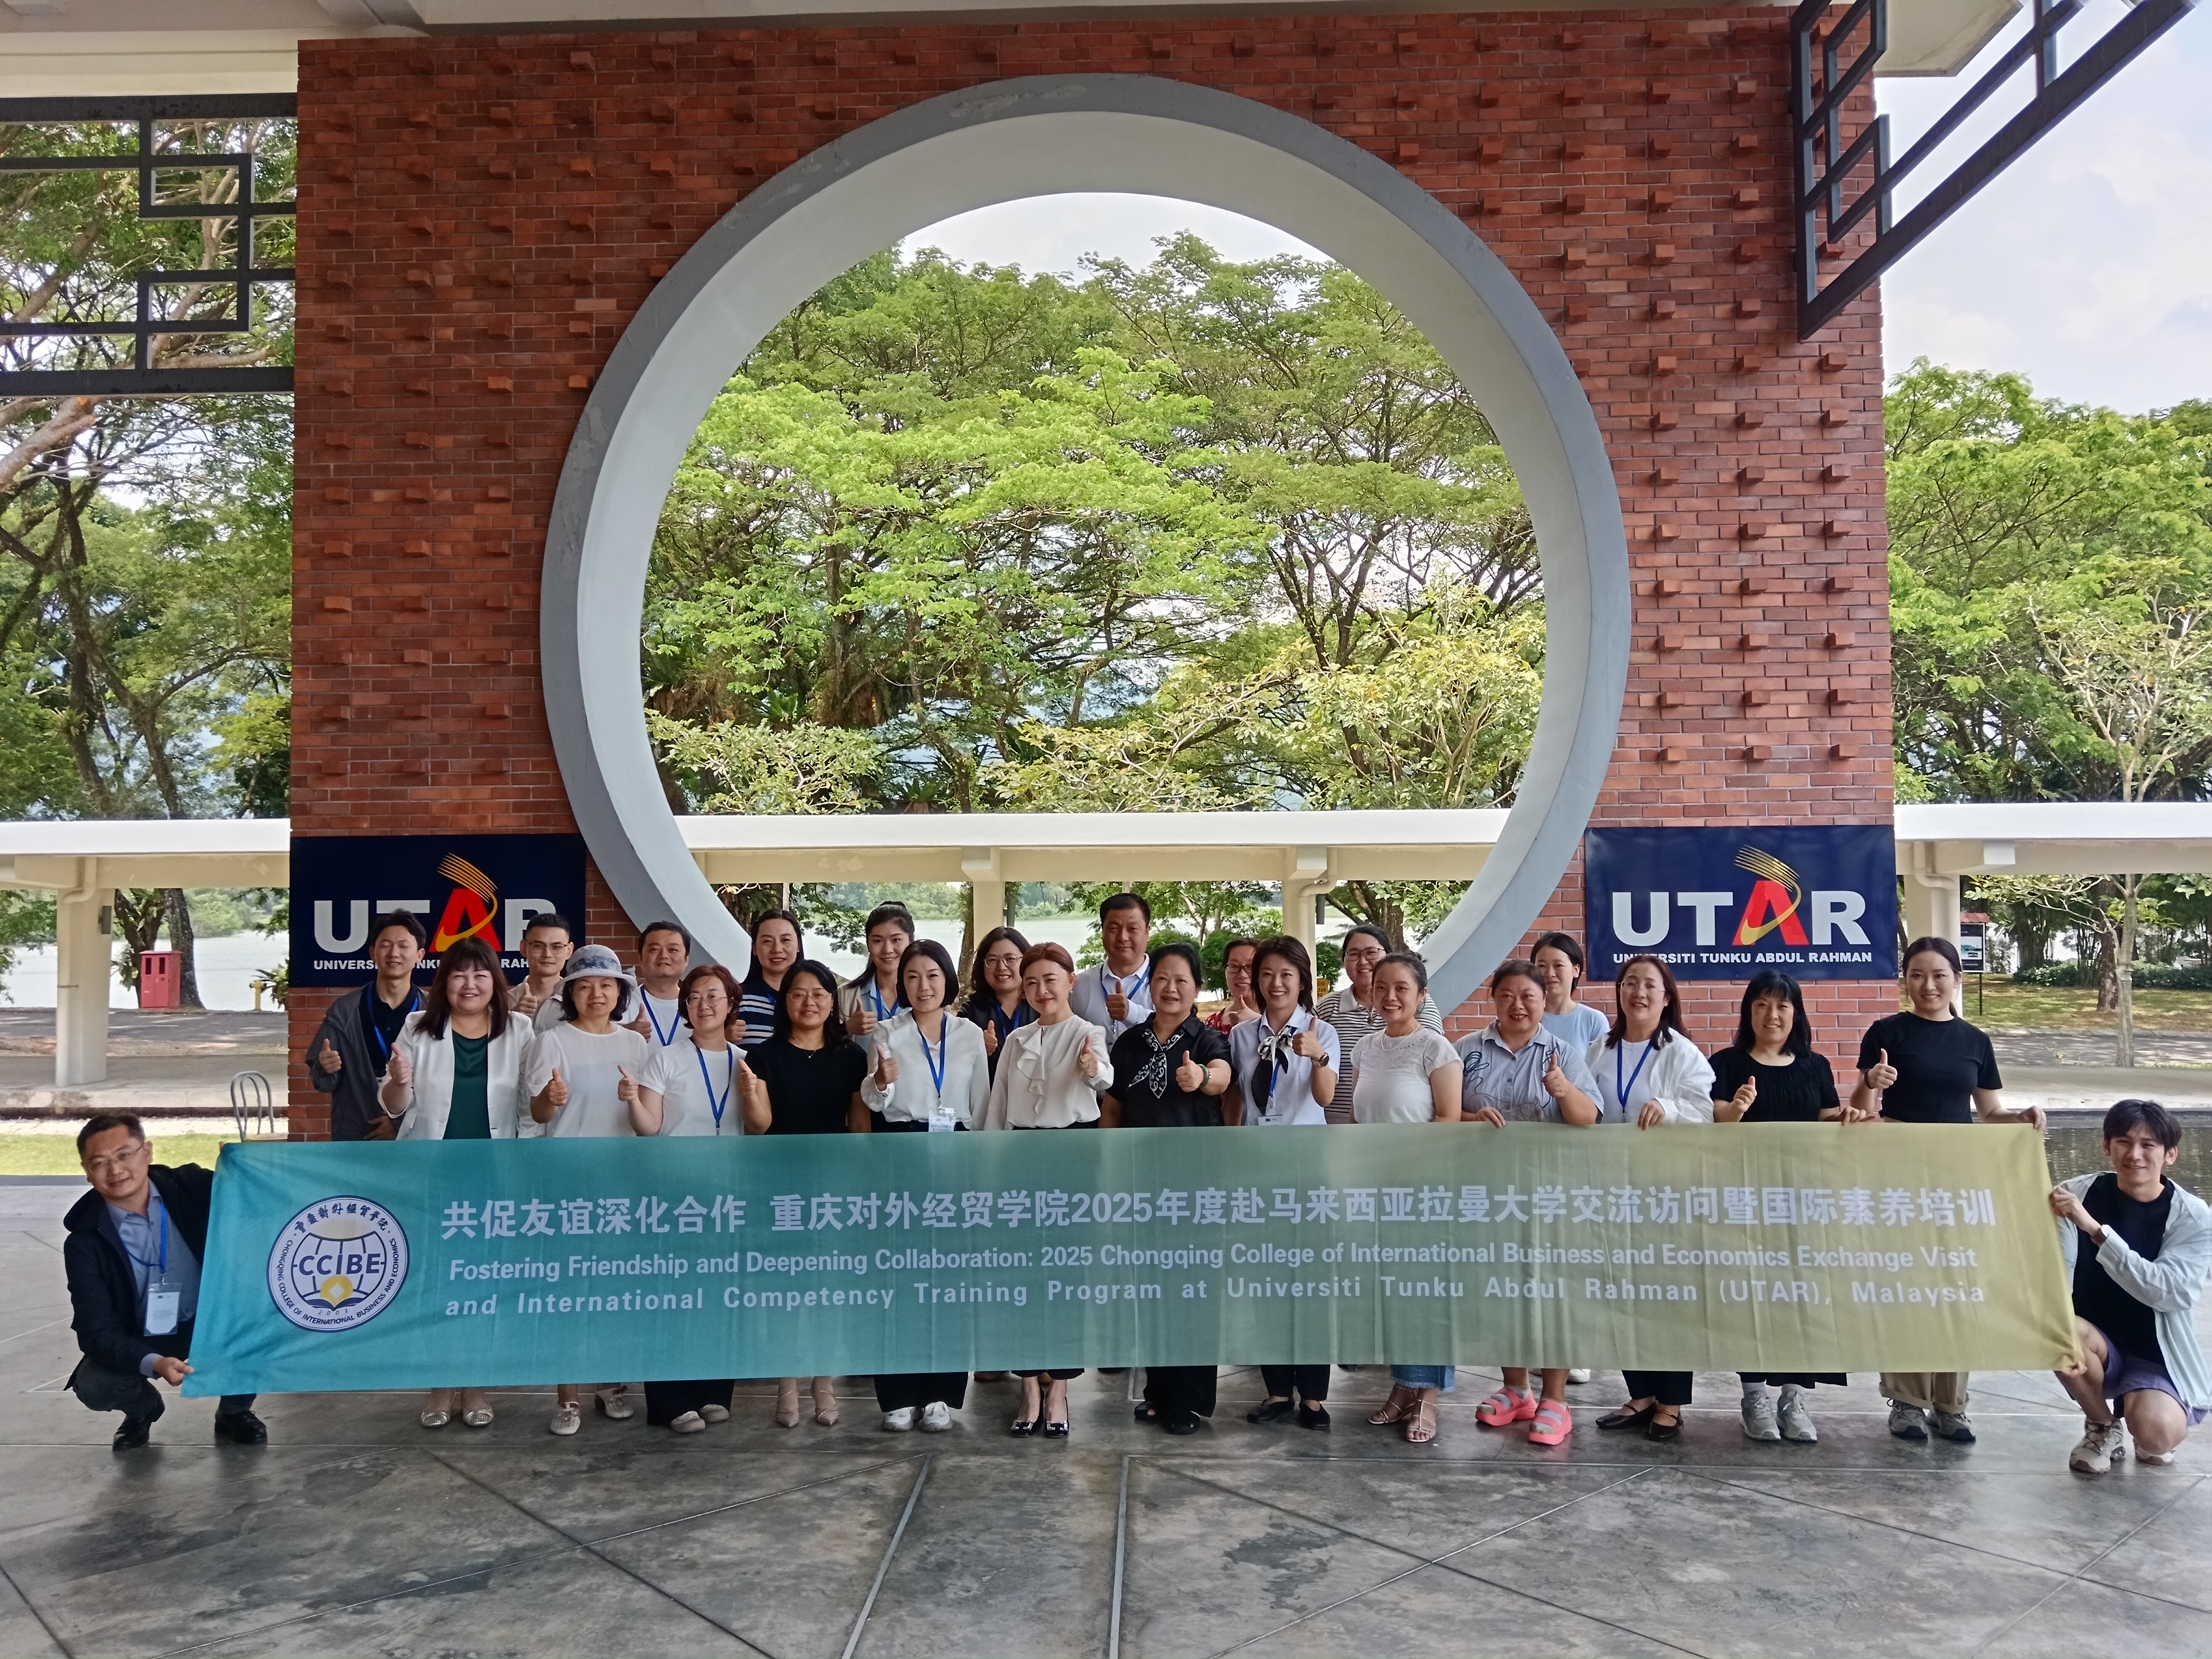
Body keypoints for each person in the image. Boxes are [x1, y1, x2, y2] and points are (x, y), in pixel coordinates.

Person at [1855, 935, 2046, 1446]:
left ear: (1957, 979)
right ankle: (1908, 1402)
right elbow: (1859, 1108)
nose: (1928, 985)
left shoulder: (1974, 1042)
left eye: (1939, 974)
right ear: (1906, 980)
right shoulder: (1886, 1032)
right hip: (1898, 1175)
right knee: (1908, 1283)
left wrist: (2021, 1117)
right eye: (1917, 974)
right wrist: (1872, 1080)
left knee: (1955, 1283)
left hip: (1955, 1177)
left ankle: (1952, 1404)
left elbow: (1989, 1112)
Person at [377, 935, 532, 1431]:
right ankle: (440, 1384)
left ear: (495, 983)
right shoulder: (419, 1028)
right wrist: (399, 1080)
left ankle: (477, 1384)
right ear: (446, 981)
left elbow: (530, 1109)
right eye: (460, 974)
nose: (470, 984)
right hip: (434, 1177)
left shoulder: (521, 1030)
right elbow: (395, 1105)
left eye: (481, 974)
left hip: (494, 1176)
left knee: (485, 1284)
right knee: (437, 1283)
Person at [1709, 970, 1857, 1443]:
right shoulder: (1727, 1063)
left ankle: (1793, 1399)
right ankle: (1753, 1396)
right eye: (1761, 1005)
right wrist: (1735, 1109)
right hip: (1745, 1200)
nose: (1772, 1016)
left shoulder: (1813, 1066)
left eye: (1782, 1006)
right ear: (1748, 1011)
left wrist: (1852, 1110)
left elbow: (1827, 1118)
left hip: (1803, 1201)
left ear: (1795, 1013)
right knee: (1750, 1297)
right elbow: (1713, 1122)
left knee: (1800, 1299)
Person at [1458, 959, 1602, 1448]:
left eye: (1528, 996)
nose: (1517, 1006)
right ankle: (1515, 1388)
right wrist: (1468, 1118)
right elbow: (1440, 1113)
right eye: (1507, 996)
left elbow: (1590, 1119)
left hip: (1550, 1193)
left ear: (1545, 1000)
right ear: (1492, 997)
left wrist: (1564, 1091)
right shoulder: (1467, 1051)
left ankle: (1555, 1399)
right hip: (1490, 1193)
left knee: (1552, 1292)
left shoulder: (1563, 1052)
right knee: (1502, 1290)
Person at [64, 1113, 264, 1449]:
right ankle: (143, 1410)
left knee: (268, 1326)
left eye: (125, 1155)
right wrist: (153, 1363)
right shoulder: (85, 1241)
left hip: (213, 1322)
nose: (115, 1170)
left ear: (147, 1152)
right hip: (142, 1336)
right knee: (96, 1385)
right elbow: (94, 1330)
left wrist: (245, 1167)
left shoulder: (195, 1188)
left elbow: (262, 1199)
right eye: (100, 1163)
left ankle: (234, 1410)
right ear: (86, 1172)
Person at [977, 942, 1110, 1435]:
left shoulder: (1087, 1033)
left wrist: (1093, 1070)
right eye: (1030, 981)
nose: (1040, 990)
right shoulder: (1016, 1040)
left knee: (1067, 1280)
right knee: (1023, 1280)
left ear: (1071, 982)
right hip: (1019, 1160)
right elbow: (996, 1110)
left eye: (1050, 979)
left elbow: (1102, 1077)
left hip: (1072, 1158)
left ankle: (1061, 1388)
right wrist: (991, 1174)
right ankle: (1029, 1383)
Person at [1101, 942, 1233, 1436]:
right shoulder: (1130, 1042)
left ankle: (1190, 1401)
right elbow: (1112, 1107)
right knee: (1152, 1289)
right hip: (1142, 1185)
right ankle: (1159, 1391)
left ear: (1197, 988)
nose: (1171, 987)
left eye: (1182, 980)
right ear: (1149, 985)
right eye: (1161, 978)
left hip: (1196, 1188)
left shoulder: (1206, 1040)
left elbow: (1221, 1079)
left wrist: (1199, 1078)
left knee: (1194, 1292)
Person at [737, 959, 869, 1428]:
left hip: (834, 1190)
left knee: (829, 1292)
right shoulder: (763, 1057)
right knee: (786, 1292)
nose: (808, 1002)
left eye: (818, 993)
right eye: (798, 994)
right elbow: (760, 1127)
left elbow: (857, 1126)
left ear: (832, 1003)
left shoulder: (852, 1057)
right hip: (780, 1190)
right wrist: (750, 1094)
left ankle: (824, 1382)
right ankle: (787, 1384)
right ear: (784, 1002)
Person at [862, 938, 986, 1433]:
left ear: (947, 981)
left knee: (948, 1277)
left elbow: (981, 1105)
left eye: (933, 975)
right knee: (897, 1276)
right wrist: (881, 1079)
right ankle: (897, 1393)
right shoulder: (887, 1032)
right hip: (900, 1151)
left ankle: (940, 1393)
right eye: (913, 976)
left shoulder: (970, 1034)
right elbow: (873, 1101)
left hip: (954, 1150)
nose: (923, 985)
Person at [1588, 955, 1713, 1443]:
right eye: (1629, 984)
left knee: (1665, 1297)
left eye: (1649, 986)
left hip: (1663, 1195)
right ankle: (1639, 1392)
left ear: (1666, 997)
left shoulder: (1679, 1053)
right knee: (1622, 1295)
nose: (1638, 993)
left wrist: (1671, 1107)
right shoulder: (1600, 1047)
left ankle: (1671, 1402)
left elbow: (1703, 1110)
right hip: (1610, 1192)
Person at [2050, 1099, 2211, 1474]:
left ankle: (2146, 1409)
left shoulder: (2193, 1217)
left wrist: (2094, 1230)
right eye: (2123, 1142)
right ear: (2105, 1147)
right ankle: (2102, 1426)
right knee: (2060, 1328)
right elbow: (2049, 1275)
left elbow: (2168, 1292)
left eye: (2148, 1145)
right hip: (2093, 1343)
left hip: (2155, 1352)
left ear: (2170, 1155)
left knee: (2156, 1437)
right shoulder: (2073, 1195)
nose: (2134, 1154)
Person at [527, 944, 649, 1436]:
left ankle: (612, 1385)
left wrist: (633, 1098)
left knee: (615, 1289)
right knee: (569, 1290)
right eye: (585, 985)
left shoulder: (636, 1046)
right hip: (569, 1182)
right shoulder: (552, 1041)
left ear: (619, 992)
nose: (596, 994)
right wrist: (550, 1099)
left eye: (606, 985)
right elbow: (537, 1115)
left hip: (621, 1181)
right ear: (570, 994)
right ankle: (568, 1398)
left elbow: (646, 1120)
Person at [631, 964, 744, 1434]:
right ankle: (670, 1401)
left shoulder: (745, 1060)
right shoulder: (665, 1058)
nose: (704, 1005)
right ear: (685, 1007)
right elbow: (648, 1127)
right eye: (695, 997)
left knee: (721, 1296)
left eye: (714, 997)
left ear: (730, 1004)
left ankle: (714, 1392)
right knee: (671, 1298)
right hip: (676, 1194)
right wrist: (631, 1101)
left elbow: (755, 1126)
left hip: (729, 1194)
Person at [308, 909, 426, 1141]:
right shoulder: (344, 1012)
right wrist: (325, 1067)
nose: (394, 953)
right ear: (373, 953)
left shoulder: (434, 1013)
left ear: (420, 955)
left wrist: (399, 1125)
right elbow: (323, 1083)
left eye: (404, 946)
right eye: (385, 945)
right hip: (356, 1136)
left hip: (415, 1137)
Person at [1316, 924, 1443, 1122]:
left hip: (1402, 1124)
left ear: (1388, 956)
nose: (1363, 961)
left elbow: (1433, 1062)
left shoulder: (1419, 1006)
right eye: (1354, 954)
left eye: (1371, 953)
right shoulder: (1327, 1008)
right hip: (1339, 1122)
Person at [1229, 936, 1340, 1127]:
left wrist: (1318, 1056)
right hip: (1254, 1147)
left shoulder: (1323, 1033)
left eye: (1287, 975)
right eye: (1267, 974)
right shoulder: (1240, 1035)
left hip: (1305, 1147)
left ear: (1302, 982)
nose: (1276, 983)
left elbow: (1325, 1099)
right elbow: (1234, 1097)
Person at [1349, 953, 1461, 1127]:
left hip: (1415, 1153)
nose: (1390, 997)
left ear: (1422, 994)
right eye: (1381, 988)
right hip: (1365, 1152)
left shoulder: (1435, 1048)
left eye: (1401, 988)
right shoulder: (1365, 1047)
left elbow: (1449, 1120)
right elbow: (1355, 1118)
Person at [1069, 892, 1153, 1045]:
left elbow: (1180, 1031)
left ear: (1148, 932)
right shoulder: (1079, 986)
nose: (1123, 937)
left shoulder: (1167, 984)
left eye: (1133, 929)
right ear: (1103, 932)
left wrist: (1133, 1014)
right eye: (1114, 928)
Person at [960, 924, 1033, 1079]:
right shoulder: (970, 1013)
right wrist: (977, 1047)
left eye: (1010, 959)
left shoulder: (1041, 1006)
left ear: (1026, 961)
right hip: (990, 1099)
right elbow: (955, 1062)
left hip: (1036, 1098)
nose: (1001, 967)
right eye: (992, 960)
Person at [735, 908, 803, 1054]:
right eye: (767, 941)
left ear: (798, 946)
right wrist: (722, 1036)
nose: (777, 949)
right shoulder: (736, 999)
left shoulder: (815, 999)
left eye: (786, 940)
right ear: (755, 948)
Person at [842, 902, 915, 1038]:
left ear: (912, 940)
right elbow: (826, 1048)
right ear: (868, 944)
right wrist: (847, 1029)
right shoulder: (847, 995)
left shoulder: (930, 993)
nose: (887, 950)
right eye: (878, 941)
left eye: (896, 940)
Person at [1533, 930, 1610, 1051]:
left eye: (1558, 965)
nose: (1549, 974)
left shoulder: (1594, 1021)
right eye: (1542, 966)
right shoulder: (1525, 1017)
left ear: (1576, 970)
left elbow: (1601, 1069)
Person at [507, 909, 576, 1030]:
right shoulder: (504, 1003)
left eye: (557, 947)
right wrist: (511, 1017)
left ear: (569, 951)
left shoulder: (578, 1003)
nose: (547, 954)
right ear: (524, 948)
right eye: (538, 946)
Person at [632, 920, 692, 1054]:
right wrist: (625, 1033)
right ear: (640, 958)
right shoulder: (622, 1003)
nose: (664, 956)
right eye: (654, 949)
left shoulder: (698, 1006)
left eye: (673, 950)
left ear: (686, 959)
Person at [1205, 937, 1262, 1036]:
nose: (1242, 975)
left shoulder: (1278, 1020)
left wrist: (1257, 1022)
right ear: (1225, 972)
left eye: (1250, 966)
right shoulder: (1212, 1024)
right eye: (1234, 966)